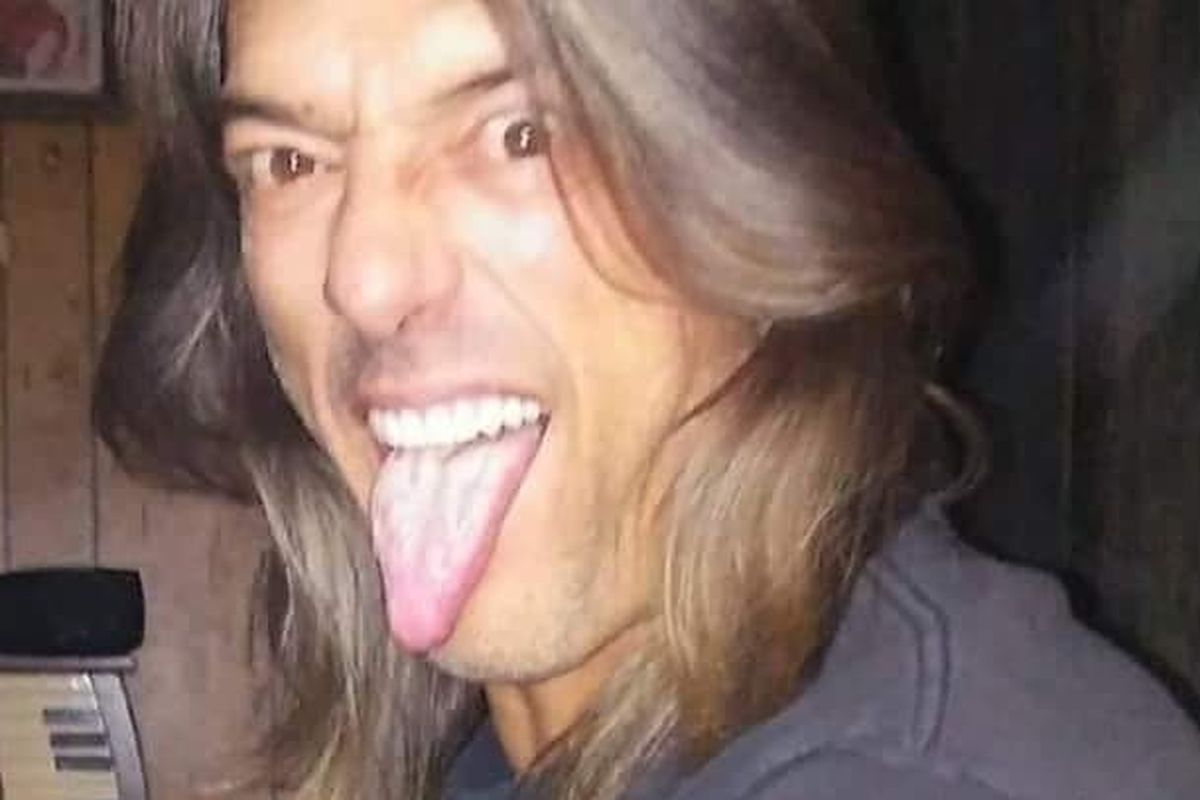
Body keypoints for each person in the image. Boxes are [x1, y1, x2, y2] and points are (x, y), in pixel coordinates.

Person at [94, 0, 1200, 797]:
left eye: (522, 134)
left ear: (760, 183)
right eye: (290, 162)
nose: (364, 279)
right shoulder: (508, 745)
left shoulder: (914, 774)